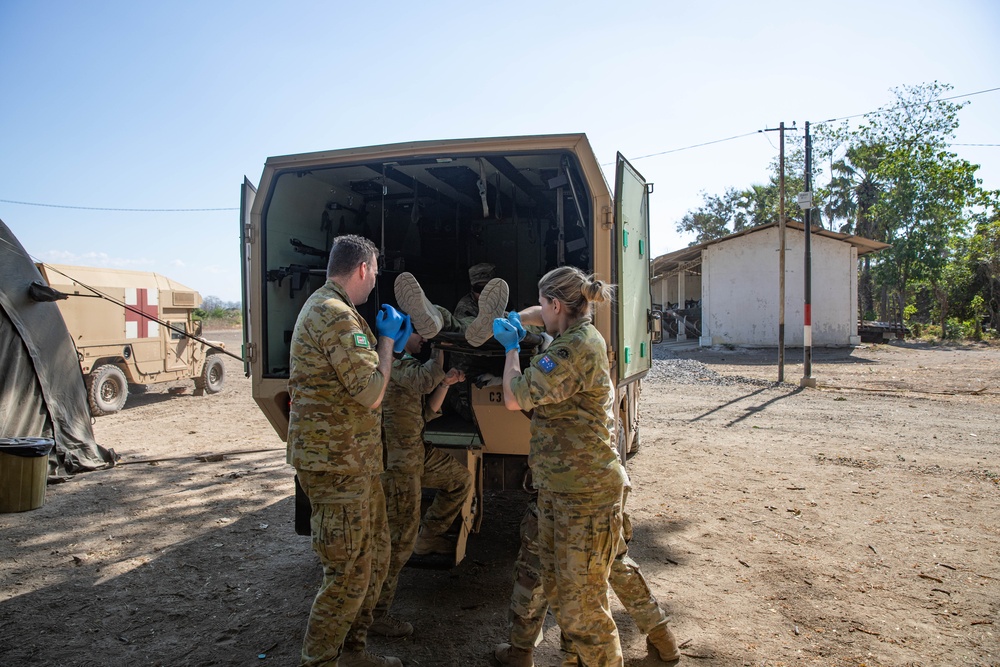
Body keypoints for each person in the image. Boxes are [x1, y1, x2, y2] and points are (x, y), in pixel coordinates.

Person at [492, 266, 628, 667]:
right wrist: (519, 318)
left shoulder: (573, 349)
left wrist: (511, 349)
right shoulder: (574, 332)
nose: (541, 313)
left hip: (584, 497)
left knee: (582, 610)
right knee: (561, 590)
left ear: (558, 304)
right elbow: (543, 312)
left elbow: (516, 396)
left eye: (544, 305)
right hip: (564, 489)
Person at [287, 234, 410, 667]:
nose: (376, 281)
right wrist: (388, 343)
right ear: (362, 269)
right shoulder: (334, 314)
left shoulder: (335, 309)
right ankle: (319, 661)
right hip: (337, 467)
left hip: (354, 463)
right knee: (345, 575)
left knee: (374, 556)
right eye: (375, 271)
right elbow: (372, 392)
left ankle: (354, 651)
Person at [493, 488, 681, 666]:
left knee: (534, 565)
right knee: (614, 561)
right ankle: (661, 635)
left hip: (560, 488)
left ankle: (521, 653)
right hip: (604, 487)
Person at [370, 331, 474, 638]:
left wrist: (445, 384)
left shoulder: (404, 365)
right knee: (398, 544)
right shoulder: (389, 364)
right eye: (420, 333)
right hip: (399, 468)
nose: (424, 340)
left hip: (416, 455)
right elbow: (425, 378)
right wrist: (441, 347)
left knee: (459, 480)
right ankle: (377, 614)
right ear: (401, 334)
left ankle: (428, 537)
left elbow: (425, 413)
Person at [394, 270, 507, 347]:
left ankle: (435, 315)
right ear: (472, 289)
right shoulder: (465, 305)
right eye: (479, 289)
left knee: (511, 322)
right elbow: (460, 330)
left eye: (487, 289)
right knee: (464, 327)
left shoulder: (504, 301)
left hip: (494, 353)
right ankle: (434, 316)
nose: (483, 293)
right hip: (466, 358)